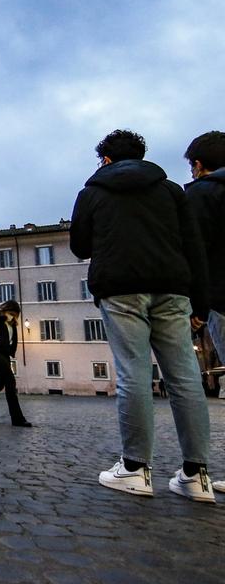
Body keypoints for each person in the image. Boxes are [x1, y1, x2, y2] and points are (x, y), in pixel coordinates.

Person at [70, 129, 214, 502]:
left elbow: (79, 245)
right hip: (172, 288)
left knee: (133, 373)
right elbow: (193, 246)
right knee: (184, 377)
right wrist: (201, 302)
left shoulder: (92, 192)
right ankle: (197, 475)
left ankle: (135, 469)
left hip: (120, 289)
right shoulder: (171, 191)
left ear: (105, 159)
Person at [183, 130, 225, 495]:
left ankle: (194, 471)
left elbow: (196, 254)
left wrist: (198, 307)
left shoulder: (200, 194)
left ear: (198, 165)